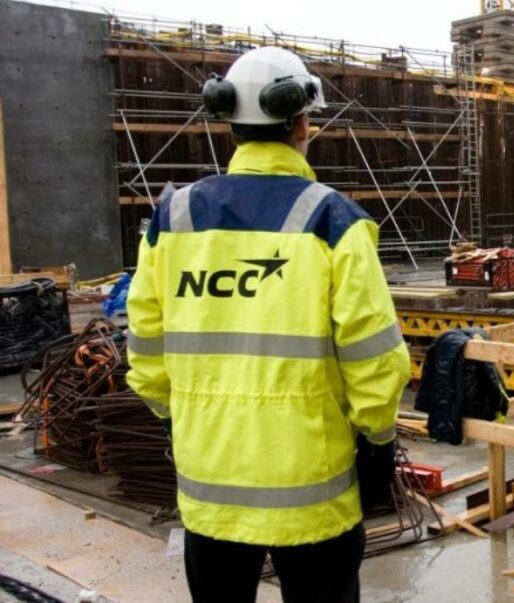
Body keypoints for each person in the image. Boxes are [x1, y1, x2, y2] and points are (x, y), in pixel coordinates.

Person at [126, 46, 409, 603]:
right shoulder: (332, 221)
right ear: (301, 123)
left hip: (210, 495)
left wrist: (177, 419)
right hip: (313, 502)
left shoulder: (174, 219)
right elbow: (374, 360)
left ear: (230, 122)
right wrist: (378, 440)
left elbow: (146, 354)